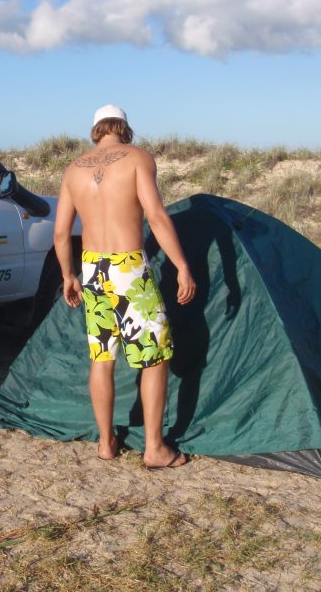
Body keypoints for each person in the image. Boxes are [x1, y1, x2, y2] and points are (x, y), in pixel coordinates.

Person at [53, 104, 197, 468]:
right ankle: (155, 448)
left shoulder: (73, 169)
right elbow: (157, 215)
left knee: (101, 358)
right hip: (128, 267)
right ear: (124, 129)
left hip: (92, 269)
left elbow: (60, 233)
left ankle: (105, 442)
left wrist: (68, 275)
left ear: (96, 130)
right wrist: (181, 265)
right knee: (154, 358)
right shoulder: (137, 158)